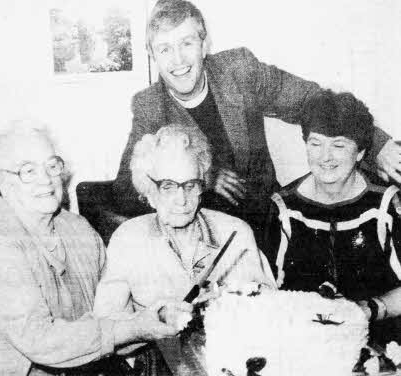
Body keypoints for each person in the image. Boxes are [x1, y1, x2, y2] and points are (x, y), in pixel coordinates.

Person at [113, 0, 401, 246]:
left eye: (186, 43)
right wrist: (203, 177)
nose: (177, 60)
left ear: (204, 45)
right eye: (164, 49)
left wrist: (377, 144)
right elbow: (126, 188)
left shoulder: (239, 70)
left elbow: (314, 101)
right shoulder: (150, 105)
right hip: (203, 237)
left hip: (266, 222)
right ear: (152, 56)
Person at [0, 121, 189, 376]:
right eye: (28, 171)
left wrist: (158, 316)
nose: (46, 179)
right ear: (2, 182)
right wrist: (135, 328)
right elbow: (39, 340)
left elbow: (107, 323)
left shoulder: (78, 230)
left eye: (51, 166)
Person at [96, 125, 276, 375]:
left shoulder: (236, 233)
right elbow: (106, 333)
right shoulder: (128, 240)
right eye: (168, 186)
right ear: (149, 191)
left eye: (190, 185)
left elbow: (270, 314)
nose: (181, 199)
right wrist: (154, 321)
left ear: (202, 186)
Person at [264, 91, 401, 345]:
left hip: (383, 341)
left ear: (360, 152)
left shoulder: (387, 205)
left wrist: (369, 309)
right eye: (315, 143)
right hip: (307, 344)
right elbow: (267, 293)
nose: (325, 157)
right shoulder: (284, 207)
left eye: (338, 145)